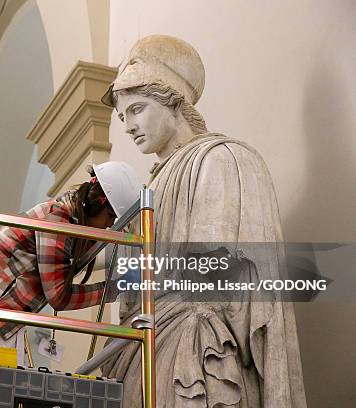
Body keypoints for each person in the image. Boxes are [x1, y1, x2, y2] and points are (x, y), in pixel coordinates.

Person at [100, 35, 307, 407]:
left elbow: (218, 266)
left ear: (174, 102)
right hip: (144, 346)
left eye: (137, 109)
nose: (128, 126)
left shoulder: (224, 158)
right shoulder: (151, 185)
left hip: (194, 349)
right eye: (121, 116)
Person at [0, 161, 141, 366]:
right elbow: (59, 297)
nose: (110, 224)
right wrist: (116, 288)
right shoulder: (58, 222)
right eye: (110, 216)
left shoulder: (68, 217)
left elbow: (73, 261)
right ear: (97, 203)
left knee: (0, 385)